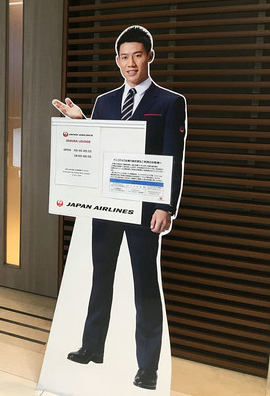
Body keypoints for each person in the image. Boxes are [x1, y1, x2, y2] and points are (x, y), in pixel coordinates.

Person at [52, 25, 187, 390]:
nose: (131, 63)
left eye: (137, 55)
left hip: (145, 209)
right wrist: (81, 124)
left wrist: (166, 206)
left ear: (150, 56)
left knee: (145, 285)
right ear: (117, 60)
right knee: (101, 277)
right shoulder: (106, 102)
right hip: (107, 206)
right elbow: (101, 147)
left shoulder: (170, 102)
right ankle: (92, 347)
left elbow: (173, 157)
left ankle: (148, 367)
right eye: (124, 57)